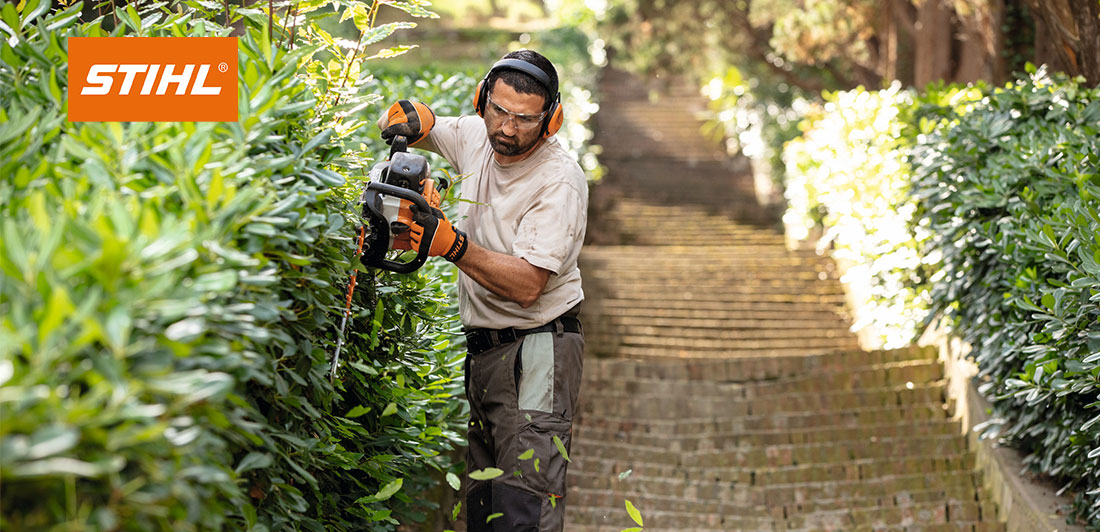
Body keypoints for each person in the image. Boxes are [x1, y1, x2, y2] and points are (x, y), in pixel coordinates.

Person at [376, 49, 588, 532]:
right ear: (482, 100)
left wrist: (450, 244)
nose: (507, 129)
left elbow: (530, 285)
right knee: (485, 508)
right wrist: (413, 118)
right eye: (499, 111)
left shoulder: (559, 182)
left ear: (550, 120)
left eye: (524, 119)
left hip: (538, 349)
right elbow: (426, 128)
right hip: (486, 353)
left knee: (522, 509)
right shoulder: (478, 135)